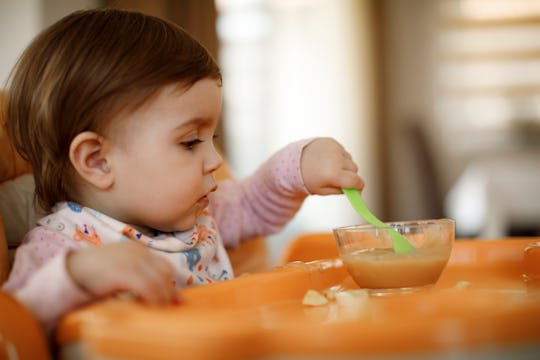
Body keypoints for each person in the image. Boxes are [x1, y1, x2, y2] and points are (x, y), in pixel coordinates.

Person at [2, 8, 364, 335]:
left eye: (213, 137)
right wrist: (78, 276)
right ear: (98, 161)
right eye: (191, 142)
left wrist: (298, 166)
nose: (215, 161)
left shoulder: (202, 212)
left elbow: (254, 203)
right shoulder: (59, 250)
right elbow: (14, 329)